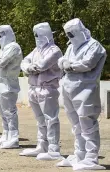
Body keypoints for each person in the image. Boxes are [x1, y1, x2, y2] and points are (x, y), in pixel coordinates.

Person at [56, 18, 106, 170]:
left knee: (87, 123)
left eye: (72, 33)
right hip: (69, 88)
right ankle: (80, 154)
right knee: (76, 124)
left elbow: (88, 63)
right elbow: (63, 61)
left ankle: (91, 158)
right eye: (68, 34)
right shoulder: (71, 47)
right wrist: (62, 63)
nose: (70, 37)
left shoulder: (94, 45)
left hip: (85, 89)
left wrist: (69, 65)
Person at [20, 22, 62, 160]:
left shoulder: (54, 50)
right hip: (34, 88)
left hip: (47, 88)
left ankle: (54, 148)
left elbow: (43, 65)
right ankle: (42, 145)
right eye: (35, 35)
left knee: (51, 119)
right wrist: (29, 68)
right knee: (40, 120)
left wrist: (30, 68)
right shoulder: (36, 50)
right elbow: (24, 62)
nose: (37, 37)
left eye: (38, 34)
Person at [0, 25, 22, 149]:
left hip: (8, 83)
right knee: (2, 111)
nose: (1, 37)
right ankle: (6, 134)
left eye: (3, 34)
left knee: (9, 111)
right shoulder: (2, 49)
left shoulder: (13, 47)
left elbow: (1, 62)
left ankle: (13, 137)